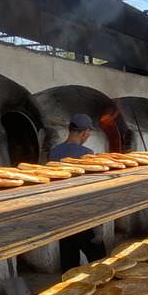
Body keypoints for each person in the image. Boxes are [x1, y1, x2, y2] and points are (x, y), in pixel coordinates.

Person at [49, 113, 106, 270]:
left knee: (69, 266)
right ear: (84, 132)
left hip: (63, 218)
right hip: (84, 216)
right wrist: (98, 225)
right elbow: (91, 190)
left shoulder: (53, 153)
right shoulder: (87, 154)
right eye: (88, 133)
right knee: (100, 263)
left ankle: (70, 293)